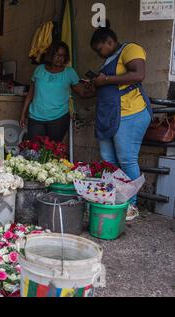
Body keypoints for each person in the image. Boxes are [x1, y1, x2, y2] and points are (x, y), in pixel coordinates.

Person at [90, 25, 152, 221]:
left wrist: (105, 79)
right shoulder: (109, 59)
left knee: (127, 160)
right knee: (109, 161)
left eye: (100, 49)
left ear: (110, 41)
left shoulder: (130, 49)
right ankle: (118, 198)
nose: (99, 54)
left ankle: (131, 205)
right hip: (110, 116)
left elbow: (138, 74)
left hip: (130, 112)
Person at [20, 42, 94, 142]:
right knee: (34, 151)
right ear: (51, 55)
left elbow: (82, 93)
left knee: (53, 150)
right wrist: (23, 114)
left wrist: (99, 90)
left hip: (58, 119)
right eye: (58, 55)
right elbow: (30, 94)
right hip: (36, 118)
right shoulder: (39, 70)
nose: (60, 58)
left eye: (63, 56)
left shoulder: (69, 72)